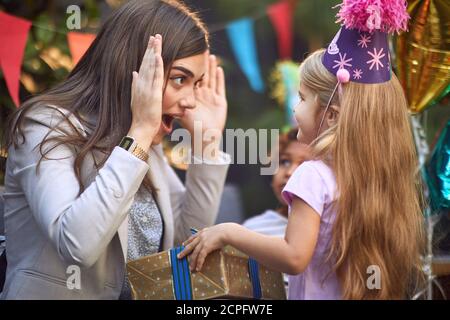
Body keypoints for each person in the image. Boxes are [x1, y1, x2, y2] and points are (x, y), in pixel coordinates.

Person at [179, 0, 425, 299]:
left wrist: (229, 231)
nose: (295, 109)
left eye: (302, 98)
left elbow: (294, 257)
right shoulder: (376, 180)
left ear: (331, 115)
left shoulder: (313, 175)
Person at [1, 0, 229, 299]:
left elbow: (184, 247)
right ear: (133, 67)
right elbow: (76, 245)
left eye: (195, 84)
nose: (190, 101)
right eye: (178, 79)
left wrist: (207, 143)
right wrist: (140, 134)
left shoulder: (145, 142)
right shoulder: (45, 124)